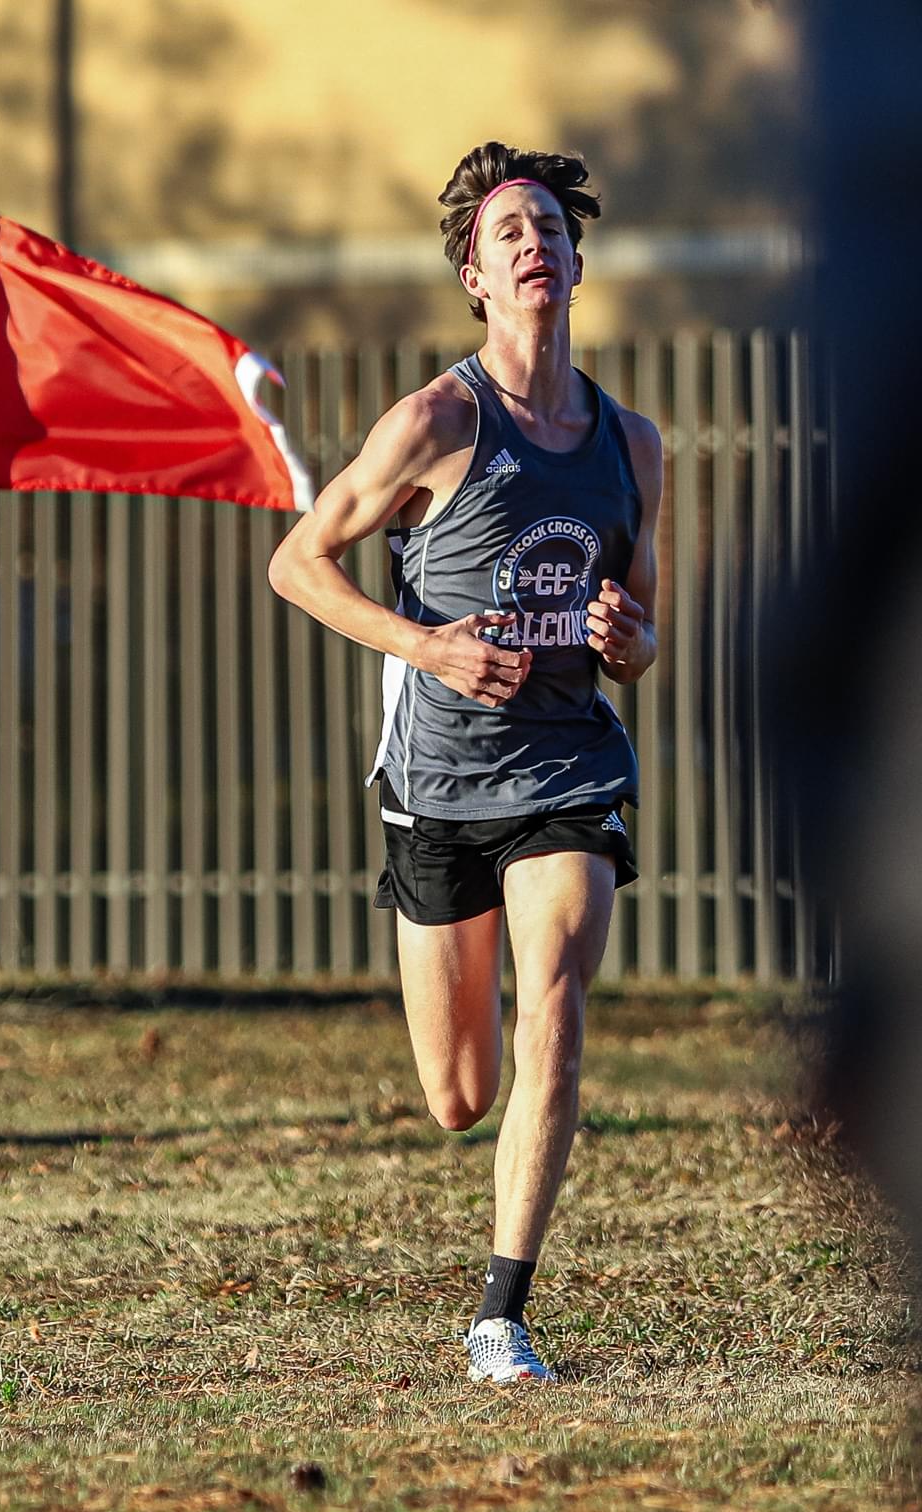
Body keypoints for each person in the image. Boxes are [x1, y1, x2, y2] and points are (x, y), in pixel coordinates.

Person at [268, 141, 662, 1384]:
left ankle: (501, 1310)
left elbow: (643, 635)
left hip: (567, 766)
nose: (532, 241)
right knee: (454, 1092)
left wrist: (625, 635)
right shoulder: (437, 420)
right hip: (436, 780)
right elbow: (296, 563)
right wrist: (426, 647)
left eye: (548, 224)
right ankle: (482, 1136)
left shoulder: (631, 443)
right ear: (473, 278)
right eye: (508, 231)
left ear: (576, 261)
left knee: (553, 990)